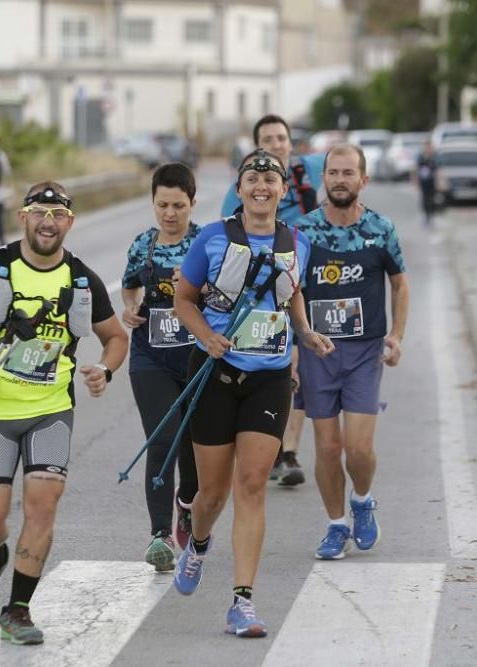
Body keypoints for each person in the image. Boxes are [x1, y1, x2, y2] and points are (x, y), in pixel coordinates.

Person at [0, 181, 128, 645]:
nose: (48, 222)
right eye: (40, 212)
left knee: (42, 509)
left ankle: (17, 610)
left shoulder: (81, 280)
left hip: (51, 412)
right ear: (23, 216)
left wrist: (105, 368)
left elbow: (116, 337)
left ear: (70, 223)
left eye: (57, 215)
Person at [173, 149, 333, 637]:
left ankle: (242, 601)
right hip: (216, 373)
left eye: (271, 178)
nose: (262, 185)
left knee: (252, 485)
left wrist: (304, 332)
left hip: (269, 375)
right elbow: (183, 298)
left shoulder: (296, 242)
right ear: (239, 188)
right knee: (212, 493)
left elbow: (293, 291)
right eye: (253, 178)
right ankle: (198, 542)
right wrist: (207, 336)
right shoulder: (213, 237)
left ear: (283, 190)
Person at [295, 144, 409, 561]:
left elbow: (400, 283)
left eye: (348, 173)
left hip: (363, 352)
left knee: (358, 449)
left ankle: (362, 499)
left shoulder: (380, 229)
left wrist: (396, 336)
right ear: (323, 178)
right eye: (333, 173)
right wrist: (300, 339)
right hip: (318, 353)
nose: (339, 180)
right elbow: (291, 292)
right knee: (327, 448)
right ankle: (335, 524)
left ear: (364, 180)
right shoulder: (303, 232)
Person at [221, 113, 325, 486]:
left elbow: (347, 164)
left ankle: (289, 450)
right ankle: (273, 445)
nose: (277, 144)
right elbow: (225, 241)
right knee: (285, 358)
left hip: (305, 275)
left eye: (282, 138)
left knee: (299, 360)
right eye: (268, 138)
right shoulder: (242, 188)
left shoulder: (308, 170)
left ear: (291, 143)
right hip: (262, 290)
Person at [121, 163, 202, 571]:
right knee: (162, 436)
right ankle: (159, 534)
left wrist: (197, 287)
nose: (169, 214)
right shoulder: (143, 245)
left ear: (192, 203)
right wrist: (130, 307)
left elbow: (225, 297)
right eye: (162, 205)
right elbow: (130, 284)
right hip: (150, 355)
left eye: (178, 205)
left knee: (192, 443)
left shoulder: (207, 243)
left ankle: (187, 503)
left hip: (195, 358)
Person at [416, 140, 438, 228]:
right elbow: (417, 168)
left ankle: (431, 217)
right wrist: (416, 181)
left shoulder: (434, 156)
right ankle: (425, 217)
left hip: (431, 181)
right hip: (423, 181)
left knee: (432, 199)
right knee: (424, 199)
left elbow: (437, 168)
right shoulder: (421, 157)